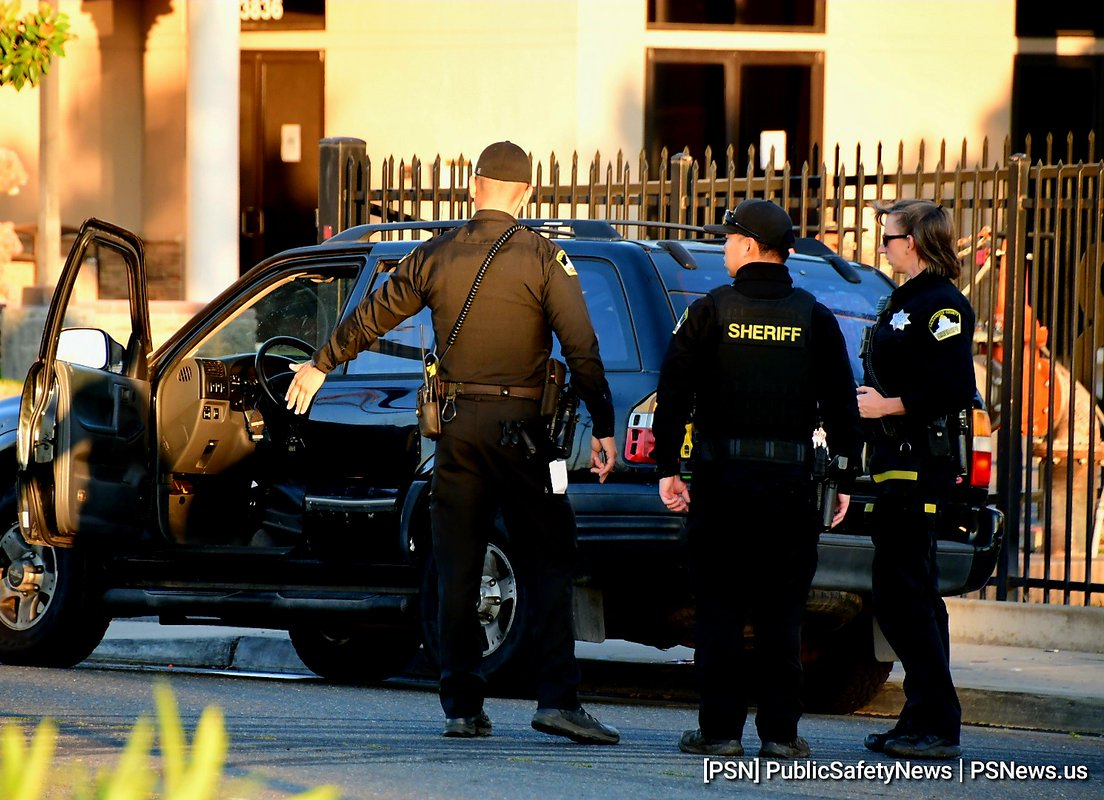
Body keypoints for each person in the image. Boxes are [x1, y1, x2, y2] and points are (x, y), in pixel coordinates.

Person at [283, 140, 622, 745]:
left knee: (457, 567)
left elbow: (374, 314)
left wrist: (320, 363)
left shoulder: (433, 255)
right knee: (549, 559)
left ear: (474, 186)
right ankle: (557, 701)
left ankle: (462, 707)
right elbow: (582, 348)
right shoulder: (546, 259)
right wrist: (602, 424)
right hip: (526, 436)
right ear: (526, 194)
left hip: (456, 431)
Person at [653, 199, 861, 760]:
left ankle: (720, 733)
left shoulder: (710, 311)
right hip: (790, 487)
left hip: (722, 484)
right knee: (781, 613)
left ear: (748, 247)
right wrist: (843, 477)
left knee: (719, 609)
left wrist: (669, 468)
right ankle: (780, 735)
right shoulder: (813, 315)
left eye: (728, 240)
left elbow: (672, 393)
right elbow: (843, 405)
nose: (723, 248)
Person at [857, 199, 974, 760]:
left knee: (908, 595)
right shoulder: (901, 300)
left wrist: (888, 406)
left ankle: (937, 720)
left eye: (890, 237)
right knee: (902, 595)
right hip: (892, 464)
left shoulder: (943, 306)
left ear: (919, 241)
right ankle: (920, 716)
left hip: (921, 466)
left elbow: (953, 388)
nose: (884, 246)